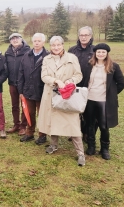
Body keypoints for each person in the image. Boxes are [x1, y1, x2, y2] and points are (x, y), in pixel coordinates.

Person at [38, 36, 85, 166]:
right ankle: (53, 145)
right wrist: (55, 81)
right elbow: (44, 76)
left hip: (67, 96)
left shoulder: (72, 58)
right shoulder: (46, 59)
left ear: (63, 45)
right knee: (53, 121)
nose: (56, 47)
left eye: (58, 45)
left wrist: (71, 81)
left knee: (73, 124)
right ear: (50, 46)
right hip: (51, 95)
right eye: (53, 45)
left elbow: (79, 75)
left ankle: (80, 152)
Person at [83, 43, 124, 160]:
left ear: (107, 54)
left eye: (103, 52)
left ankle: (105, 149)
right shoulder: (89, 65)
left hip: (104, 101)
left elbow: (122, 83)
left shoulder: (113, 67)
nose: (101, 54)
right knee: (90, 124)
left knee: (104, 126)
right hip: (90, 99)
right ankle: (91, 146)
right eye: (98, 52)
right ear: (95, 53)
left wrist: (111, 94)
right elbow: (84, 81)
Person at [17, 33, 49, 144]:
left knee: (42, 114)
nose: (36, 43)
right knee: (29, 113)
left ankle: (42, 135)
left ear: (43, 42)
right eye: (35, 41)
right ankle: (29, 133)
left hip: (42, 91)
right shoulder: (26, 55)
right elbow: (20, 73)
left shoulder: (48, 56)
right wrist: (20, 91)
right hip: (28, 90)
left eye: (39, 41)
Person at [68, 26, 95, 139]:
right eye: (81, 35)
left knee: (88, 112)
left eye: (86, 35)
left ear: (90, 36)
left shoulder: (95, 50)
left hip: (89, 86)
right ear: (78, 37)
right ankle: (74, 132)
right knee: (74, 111)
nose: (83, 37)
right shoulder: (72, 50)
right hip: (75, 86)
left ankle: (86, 133)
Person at [5, 33, 31, 135]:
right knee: (14, 105)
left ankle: (23, 126)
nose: (15, 40)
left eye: (17, 38)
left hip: (24, 83)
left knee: (24, 105)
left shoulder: (27, 51)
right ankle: (16, 124)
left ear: (21, 39)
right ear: (10, 41)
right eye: (12, 39)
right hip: (12, 83)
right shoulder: (8, 53)